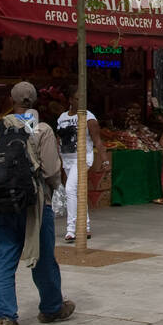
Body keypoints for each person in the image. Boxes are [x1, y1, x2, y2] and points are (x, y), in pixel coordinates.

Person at [0, 81, 72, 325]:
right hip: (35, 204)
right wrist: (56, 190)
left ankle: (5, 317)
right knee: (43, 258)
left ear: (11, 100)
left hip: (2, 204)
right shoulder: (41, 129)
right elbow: (51, 170)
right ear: (35, 101)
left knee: (4, 257)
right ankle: (52, 307)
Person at [55, 88, 108, 242]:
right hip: (67, 159)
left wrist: (104, 159)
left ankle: (72, 229)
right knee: (77, 191)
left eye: (83, 99)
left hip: (83, 157)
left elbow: (97, 139)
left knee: (70, 189)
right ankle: (86, 226)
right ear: (71, 99)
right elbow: (59, 139)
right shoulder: (62, 117)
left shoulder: (88, 117)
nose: (81, 102)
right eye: (78, 98)